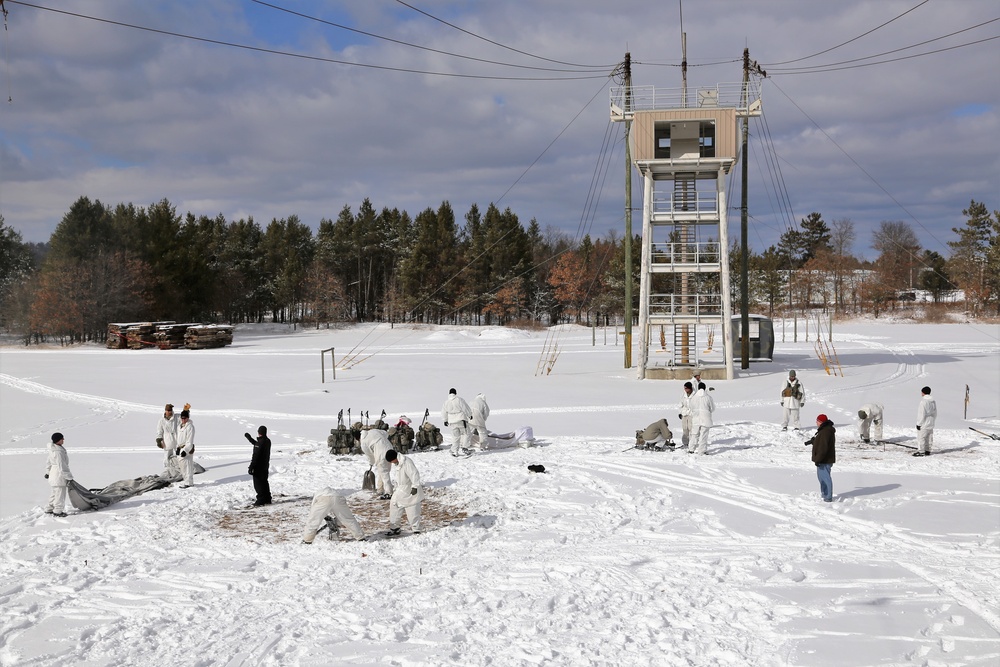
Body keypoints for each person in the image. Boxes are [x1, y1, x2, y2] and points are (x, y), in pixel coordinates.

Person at [385, 449, 424, 535]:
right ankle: (394, 527)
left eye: (391, 461)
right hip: (400, 489)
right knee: (394, 505)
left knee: (412, 509)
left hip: (410, 489)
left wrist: (415, 486)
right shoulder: (398, 463)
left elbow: (414, 474)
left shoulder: (406, 462)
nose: (391, 463)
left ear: (394, 458)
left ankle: (416, 528)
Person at [807, 414, 836, 502]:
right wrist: (814, 441)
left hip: (825, 460)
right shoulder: (824, 430)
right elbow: (821, 442)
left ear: (821, 422)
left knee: (825, 478)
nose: (816, 422)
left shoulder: (825, 432)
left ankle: (828, 497)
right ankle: (825, 494)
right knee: (821, 478)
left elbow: (823, 448)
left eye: (817, 420)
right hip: (823, 459)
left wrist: (818, 459)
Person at [359, 426, 394, 499]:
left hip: (381, 454)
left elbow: (370, 456)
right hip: (390, 449)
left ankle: (389, 492)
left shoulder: (363, 443)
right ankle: (380, 488)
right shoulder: (373, 431)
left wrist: (371, 463)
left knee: (384, 472)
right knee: (384, 470)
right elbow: (385, 433)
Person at [44, 432, 74, 516]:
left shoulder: (52, 449)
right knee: (60, 494)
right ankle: (58, 511)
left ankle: (49, 508)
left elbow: (48, 461)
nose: (63, 440)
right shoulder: (58, 451)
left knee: (54, 493)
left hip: (53, 474)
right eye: (62, 438)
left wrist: (47, 472)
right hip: (58, 475)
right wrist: (69, 477)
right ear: (58, 440)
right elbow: (62, 466)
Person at [441, 388, 473, 457]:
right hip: (460, 420)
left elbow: (444, 412)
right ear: (455, 393)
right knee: (466, 433)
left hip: (452, 421)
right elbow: (465, 408)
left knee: (455, 436)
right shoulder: (459, 399)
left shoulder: (446, 402)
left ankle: (454, 451)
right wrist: (469, 415)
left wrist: (445, 420)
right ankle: (465, 448)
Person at [244, 425, 272, 506]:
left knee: (258, 484)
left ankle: (261, 499)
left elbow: (256, 455)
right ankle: (267, 498)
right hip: (265, 466)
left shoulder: (261, 442)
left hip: (258, 467)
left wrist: (251, 466)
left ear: (259, 432)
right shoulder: (267, 441)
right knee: (264, 482)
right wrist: (250, 439)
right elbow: (258, 445)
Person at [689, 382, 715, 454]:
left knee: (694, 434)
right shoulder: (708, 397)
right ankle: (701, 451)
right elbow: (712, 408)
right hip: (705, 418)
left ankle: (691, 449)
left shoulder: (693, 397)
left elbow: (691, 407)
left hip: (696, 418)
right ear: (704, 388)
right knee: (703, 435)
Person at [915, 386, 937, 457]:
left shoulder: (923, 402)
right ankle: (928, 450)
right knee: (929, 437)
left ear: (923, 392)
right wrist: (933, 420)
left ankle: (921, 451)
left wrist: (919, 423)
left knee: (922, 437)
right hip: (931, 422)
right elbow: (935, 412)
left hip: (924, 423)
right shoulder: (933, 401)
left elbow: (922, 414)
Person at [176, 408, 196, 487]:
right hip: (180, 448)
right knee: (182, 466)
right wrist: (178, 448)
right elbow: (179, 438)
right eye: (182, 418)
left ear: (188, 418)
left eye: (185, 418)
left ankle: (189, 483)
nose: (183, 420)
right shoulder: (179, 426)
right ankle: (186, 481)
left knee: (188, 466)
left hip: (186, 448)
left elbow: (189, 441)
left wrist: (186, 450)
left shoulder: (190, 427)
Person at [156, 403, 179, 470]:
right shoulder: (161, 421)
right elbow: (159, 431)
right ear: (165, 411)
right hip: (167, 441)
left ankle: (178, 469)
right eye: (167, 410)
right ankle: (167, 470)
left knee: (178, 456)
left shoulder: (177, 417)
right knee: (167, 457)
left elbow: (185, 418)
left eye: (170, 410)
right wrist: (159, 440)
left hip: (176, 440)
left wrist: (186, 410)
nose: (169, 412)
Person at [678, 382, 694, 448]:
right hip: (684, 414)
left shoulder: (694, 395)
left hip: (691, 414)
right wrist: (680, 413)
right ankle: (685, 443)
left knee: (691, 429)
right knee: (685, 429)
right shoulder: (683, 395)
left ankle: (692, 443)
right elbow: (680, 405)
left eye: (686, 388)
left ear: (690, 388)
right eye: (684, 388)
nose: (685, 390)